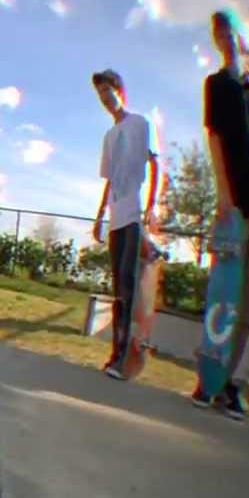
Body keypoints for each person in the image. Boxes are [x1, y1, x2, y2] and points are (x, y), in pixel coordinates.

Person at [190, 10, 249, 419]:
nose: (225, 38)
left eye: (230, 31)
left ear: (242, 36)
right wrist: (224, 196)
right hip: (237, 208)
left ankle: (226, 383)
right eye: (217, 33)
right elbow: (216, 139)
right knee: (225, 300)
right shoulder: (218, 85)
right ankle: (209, 381)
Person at [89, 68, 160, 381]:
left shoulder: (140, 123)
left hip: (135, 213)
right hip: (116, 216)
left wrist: (152, 205)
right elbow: (110, 180)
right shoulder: (109, 136)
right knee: (119, 286)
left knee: (129, 285)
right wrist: (100, 215)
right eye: (100, 94)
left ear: (120, 91)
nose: (105, 98)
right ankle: (116, 354)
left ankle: (126, 357)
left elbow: (155, 164)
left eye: (108, 91)